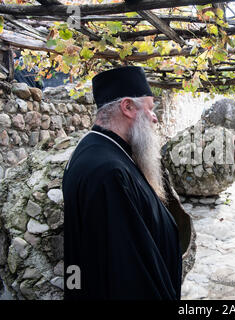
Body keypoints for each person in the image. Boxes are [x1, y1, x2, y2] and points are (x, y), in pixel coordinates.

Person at [63, 66, 182, 300]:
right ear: (127, 107)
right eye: (150, 108)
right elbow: (127, 270)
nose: (155, 117)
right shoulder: (108, 171)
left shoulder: (103, 149)